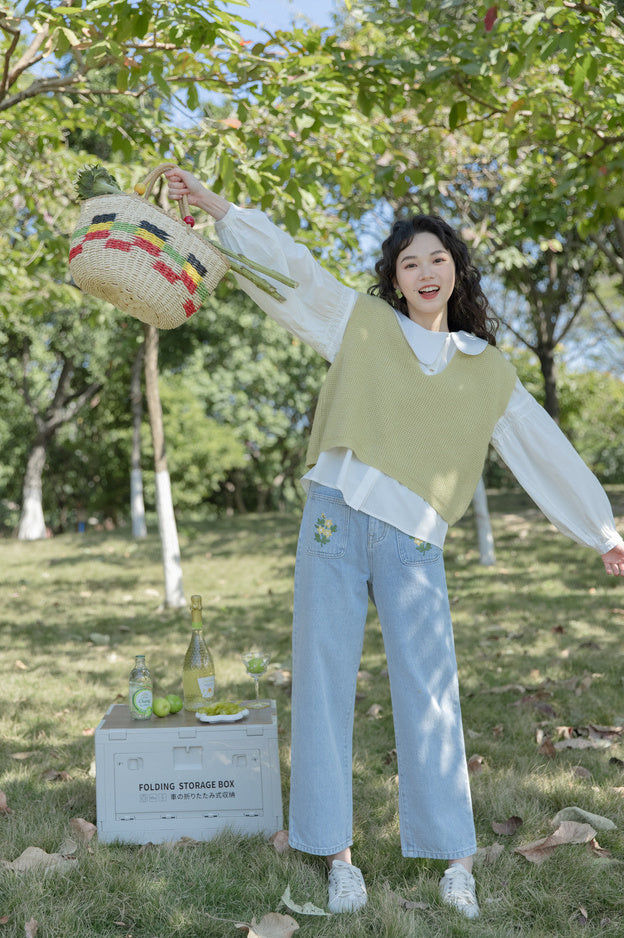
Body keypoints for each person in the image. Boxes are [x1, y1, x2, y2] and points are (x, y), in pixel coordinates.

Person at [166, 167, 624, 919]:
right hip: (333, 520)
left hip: (414, 542)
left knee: (431, 697)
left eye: (436, 259)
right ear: (395, 278)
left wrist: (600, 529)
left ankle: (455, 863)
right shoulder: (363, 325)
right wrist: (216, 209)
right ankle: (337, 858)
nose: (424, 272)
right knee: (320, 685)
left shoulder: (487, 370)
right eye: (409, 262)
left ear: (456, 271)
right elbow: (294, 274)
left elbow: (542, 448)